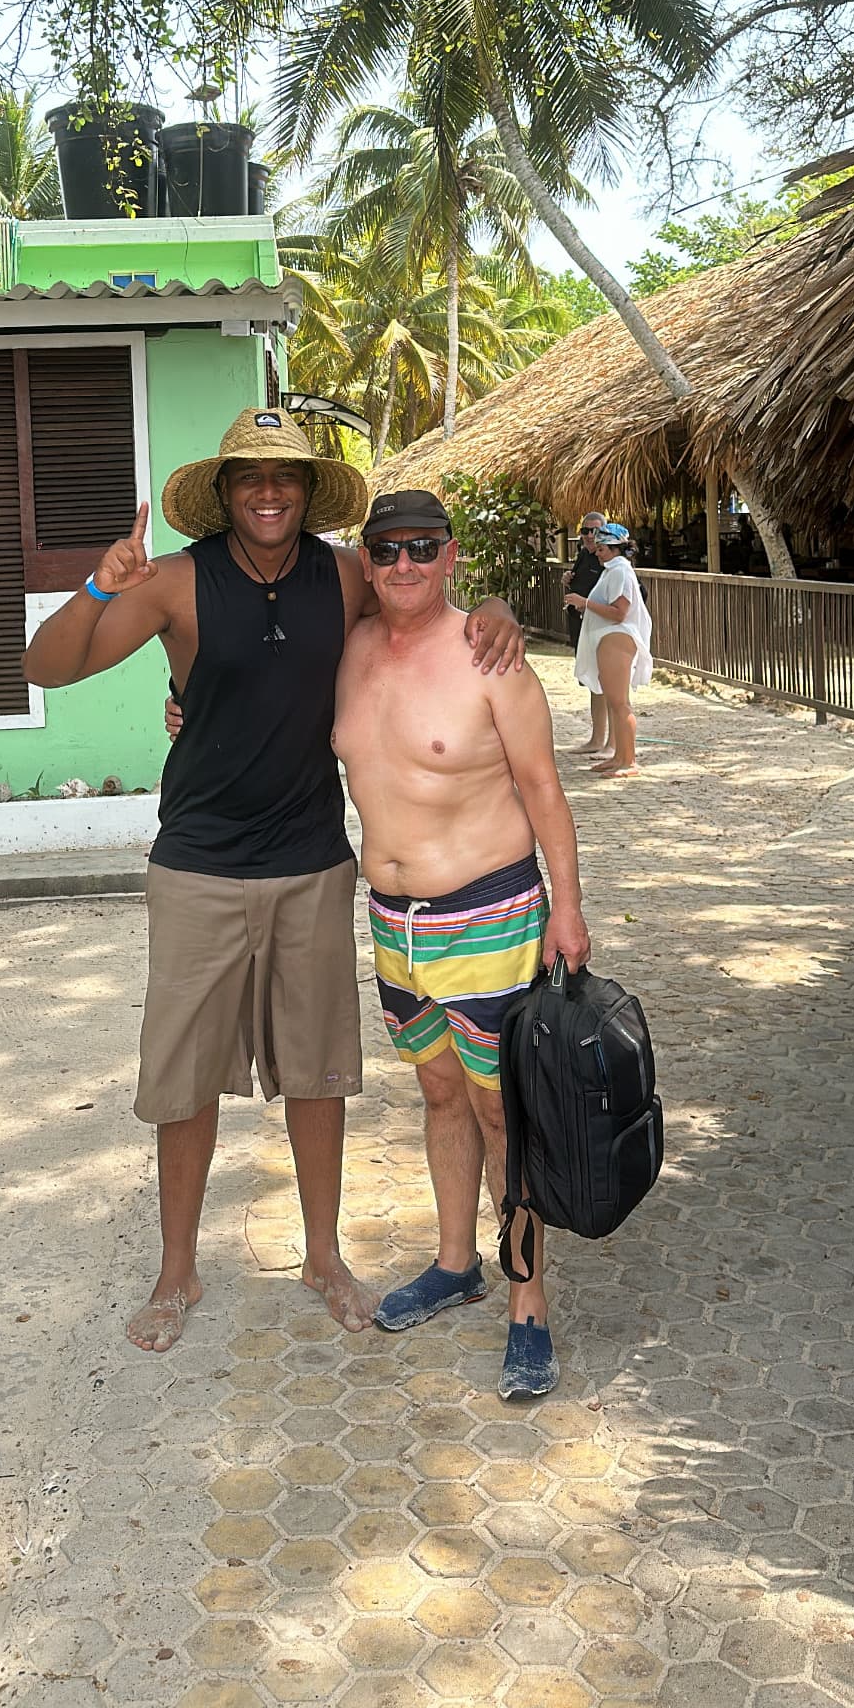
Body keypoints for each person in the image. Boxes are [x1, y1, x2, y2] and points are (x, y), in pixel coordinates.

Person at [22, 409, 523, 1355]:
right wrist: (99, 583)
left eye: (284, 476)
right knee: (183, 1082)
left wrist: (500, 610)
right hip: (198, 867)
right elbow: (50, 666)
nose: (267, 490)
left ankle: (324, 1256)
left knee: (317, 1073)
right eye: (249, 475)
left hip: (310, 863)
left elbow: (428, 610)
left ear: (307, 492)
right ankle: (178, 1271)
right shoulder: (175, 582)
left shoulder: (343, 575)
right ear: (224, 489)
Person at [332, 489, 591, 1401]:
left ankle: (530, 1305)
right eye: (387, 551)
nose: (404, 565)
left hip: (489, 914)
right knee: (438, 1093)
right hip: (393, 924)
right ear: (367, 562)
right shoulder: (350, 650)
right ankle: (455, 1262)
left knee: (501, 1113)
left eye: (422, 549)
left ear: (451, 558)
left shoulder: (492, 656)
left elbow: (545, 789)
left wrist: (568, 908)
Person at [568, 519, 652, 777]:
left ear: (615, 548)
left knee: (619, 703)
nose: (598, 552)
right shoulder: (612, 569)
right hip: (607, 638)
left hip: (617, 637)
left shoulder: (619, 571)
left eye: (602, 548)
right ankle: (618, 757)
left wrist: (584, 603)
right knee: (615, 702)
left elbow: (619, 612)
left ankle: (628, 761)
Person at [564, 511, 610, 756]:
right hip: (582, 627)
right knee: (593, 683)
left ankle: (611, 742)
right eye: (585, 531)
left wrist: (586, 603)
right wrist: (568, 580)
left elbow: (623, 603)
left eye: (595, 531)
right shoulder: (584, 555)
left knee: (606, 685)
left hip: (602, 630)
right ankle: (597, 738)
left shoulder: (613, 565)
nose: (590, 537)